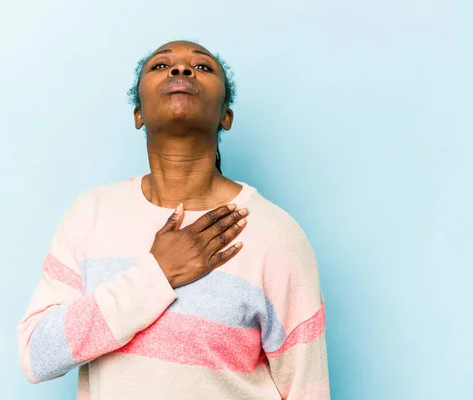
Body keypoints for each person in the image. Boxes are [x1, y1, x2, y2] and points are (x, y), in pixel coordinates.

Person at [17, 40, 330, 399]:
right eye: (161, 66)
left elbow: (308, 388)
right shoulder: (90, 215)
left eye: (202, 67)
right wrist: (155, 275)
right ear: (138, 114)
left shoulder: (274, 234)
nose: (180, 70)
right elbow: (35, 354)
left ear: (226, 115)